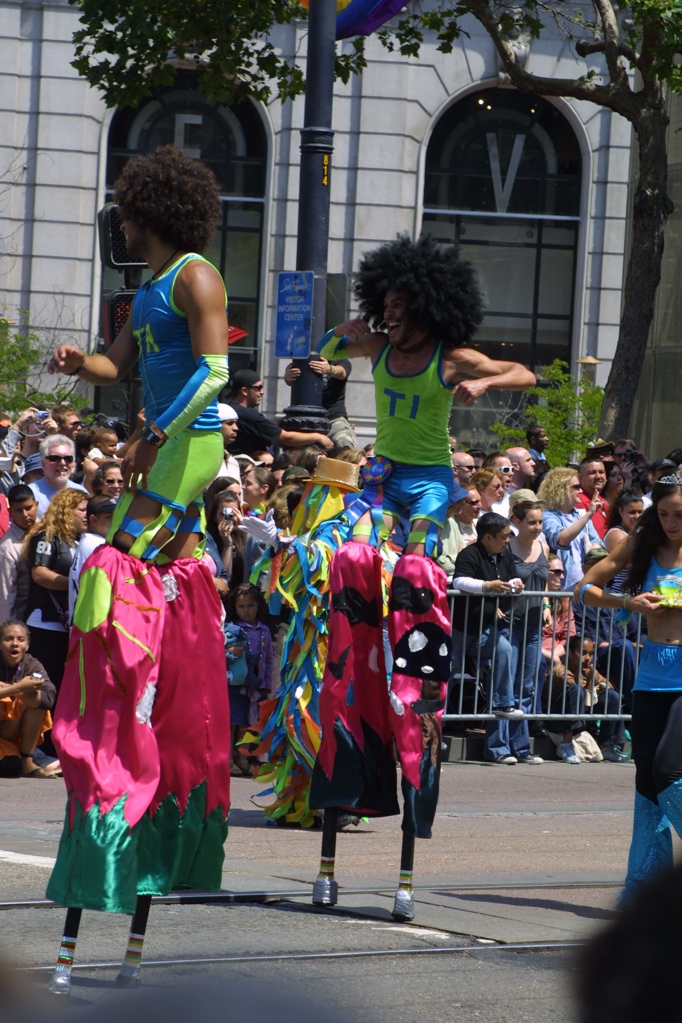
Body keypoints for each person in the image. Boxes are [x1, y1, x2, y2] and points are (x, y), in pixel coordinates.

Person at [44, 144, 232, 989]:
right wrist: (74, 364)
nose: (119, 220)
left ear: (149, 210)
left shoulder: (197, 277)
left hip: (189, 452)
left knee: (119, 571)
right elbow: (117, 364)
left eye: (125, 209)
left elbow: (217, 373)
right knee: (106, 575)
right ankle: (116, 730)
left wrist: (159, 434)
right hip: (155, 450)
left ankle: (139, 720)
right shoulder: (146, 289)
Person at [575, 473, 682, 903]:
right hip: (651, 674)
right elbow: (585, 588)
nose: (673, 522)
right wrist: (627, 602)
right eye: (666, 514)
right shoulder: (641, 547)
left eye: (681, 515)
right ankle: (644, 886)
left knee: (667, 770)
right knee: (646, 780)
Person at [451, 512, 525, 758]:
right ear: (487, 537)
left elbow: (511, 576)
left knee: (503, 649)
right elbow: (458, 581)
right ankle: (430, 725)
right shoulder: (469, 554)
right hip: (458, 630)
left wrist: (515, 584)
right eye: (503, 537)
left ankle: (503, 704)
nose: (507, 541)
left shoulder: (504, 555)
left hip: (483, 629)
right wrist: (486, 586)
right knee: (447, 675)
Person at [24, 488, 88, 693]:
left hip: (67, 624)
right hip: (45, 622)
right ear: (66, 510)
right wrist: (75, 584)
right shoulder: (47, 536)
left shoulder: (80, 541)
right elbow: (40, 574)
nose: (87, 515)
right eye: (82, 510)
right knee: (47, 686)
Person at [549, 634, 628, 763]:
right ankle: (566, 745)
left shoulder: (588, 669)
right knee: (576, 690)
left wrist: (597, 686)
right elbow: (582, 697)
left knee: (612, 696)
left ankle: (605, 746)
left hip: (580, 715)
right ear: (569, 653)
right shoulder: (562, 671)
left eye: (591, 654)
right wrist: (592, 683)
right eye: (583, 653)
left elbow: (608, 685)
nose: (588, 658)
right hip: (558, 720)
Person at [227, 368, 333, 458]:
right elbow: (286, 438)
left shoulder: (231, 410)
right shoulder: (249, 415)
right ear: (244, 391)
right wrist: (317, 437)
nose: (262, 392)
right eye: (257, 388)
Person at [224, 583, 273, 777]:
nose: (246, 610)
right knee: (232, 722)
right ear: (235, 608)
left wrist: (266, 682)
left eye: (250, 606)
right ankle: (228, 759)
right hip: (235, 685)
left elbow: (269, 658)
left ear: (258, 606)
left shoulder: (265, 630)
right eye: (241, 606)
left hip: (256, 686)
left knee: (248, 722)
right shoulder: (232, 629)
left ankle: (243, 758)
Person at [0, 619, 58, 778]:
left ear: (27, 645)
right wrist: (17, 688)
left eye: (20, 639)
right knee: (9, 766)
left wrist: (25, 691)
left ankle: (27, 762)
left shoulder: (32, 664)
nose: (15, 644)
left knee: (35, 699)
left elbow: (49, 697)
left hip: (10, 733)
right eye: (8, 639)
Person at [539, 467, 603, 588]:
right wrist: (589, 514)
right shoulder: (547, 515)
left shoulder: (581, 515)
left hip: (584, 586)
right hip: (561, 586)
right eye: (576, 487)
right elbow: (561, 539)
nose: (581, 491)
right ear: (561, 490)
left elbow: (598, 542)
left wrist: (595, 547)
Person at [284, 354, 356, 451]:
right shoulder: (300, 361)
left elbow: (342, 372)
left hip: (333, 418)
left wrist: (330, 369)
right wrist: (287, 377)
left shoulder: (339, 360)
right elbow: (290, 379)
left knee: (345, 446)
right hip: (305, 420)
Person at [67, 496, 116, 621]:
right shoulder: (96, 546)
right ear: (93, 520)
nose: (116, 522)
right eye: (109, 517)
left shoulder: (88, 542)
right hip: (90, 625)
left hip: (84, 623)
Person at [0, 484, 39, 622]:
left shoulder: (48, 532)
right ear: (10, 512)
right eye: (18, 510)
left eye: (29, 508)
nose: (25, 515)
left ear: (37, 505)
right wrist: (10, 630)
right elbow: (6, 595)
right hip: (23, 620)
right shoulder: (7, 547)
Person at [30, 434, 88, 517]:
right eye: (55, 458)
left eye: (68, 458)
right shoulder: (31, 494)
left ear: (73, 464)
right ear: (43, 464)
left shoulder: (82, 492)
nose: (62, 463)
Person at [576, 458, 608, 538]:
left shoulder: (602, 500)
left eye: (601, 472)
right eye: (592, 473)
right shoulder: (578, 502)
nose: (598, 476)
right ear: (580, 477)